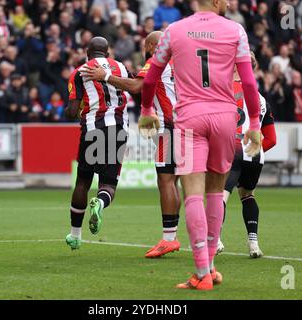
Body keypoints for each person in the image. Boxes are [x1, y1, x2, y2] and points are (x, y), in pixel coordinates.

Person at [140, 0, 262, 290]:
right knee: (215, 192)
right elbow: (249, 83)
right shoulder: (236, 30)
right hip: (224, 118)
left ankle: (202, 272)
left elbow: (150, 80)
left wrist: (147, 111)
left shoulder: (174, 31)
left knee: (192, 192)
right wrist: (254, 124)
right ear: (219, 2)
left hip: (189, 117)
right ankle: (210, 266)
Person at [81, 31, 181, 259]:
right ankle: (179, 236)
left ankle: (168, 239)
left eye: (146, 46)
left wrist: (104, 76)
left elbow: (137, 86)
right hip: (190, 125)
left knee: (165, 180)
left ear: (152, 46)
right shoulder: (182, 61)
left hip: (169, 126)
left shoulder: (158, 60)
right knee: (177, 181)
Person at [64, 37, 132, 250]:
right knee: (108, 185)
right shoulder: (120, 67)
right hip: (119, 129)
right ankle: (100, 203)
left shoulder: (79, 72)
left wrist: (70, 110)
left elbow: (72, 112)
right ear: (108, 52)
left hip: (93, 129)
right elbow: (135, 86)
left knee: (83, 182)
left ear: (87, 52)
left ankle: (75, 235)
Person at [217, 52, 277, 258]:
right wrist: (254, 148)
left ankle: (215, 239)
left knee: (220, 195)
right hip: (255, 155)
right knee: (247, 195)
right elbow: (272, 139)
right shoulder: (261, 99)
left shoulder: (223, 90)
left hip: (231, 149)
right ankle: (253, 243)